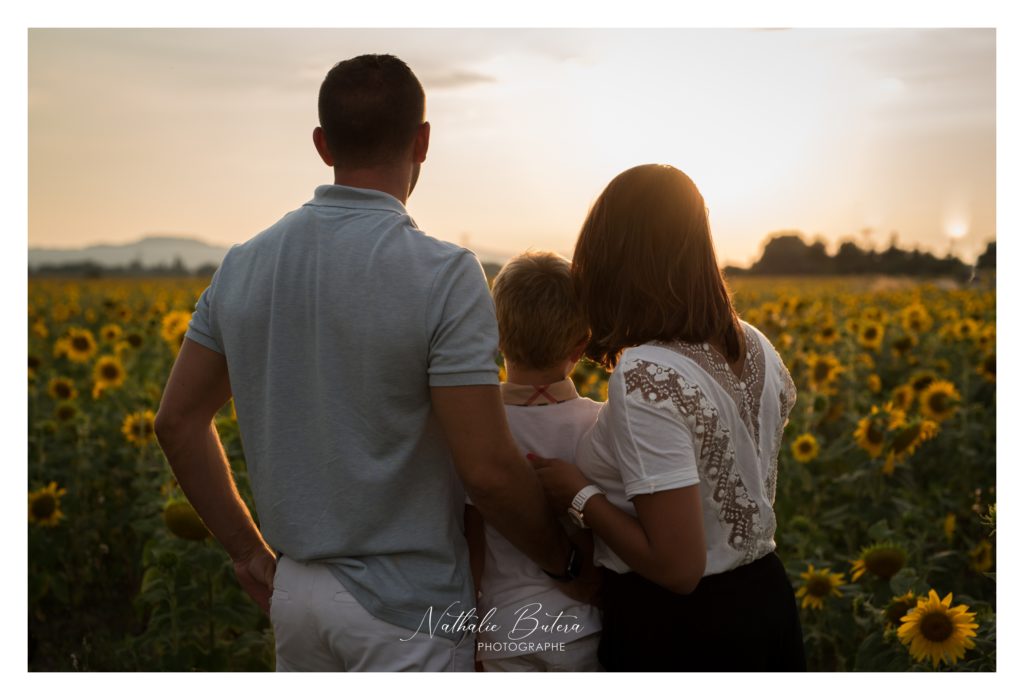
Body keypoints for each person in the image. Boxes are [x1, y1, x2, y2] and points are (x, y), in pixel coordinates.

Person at [154, 54, 576, 672]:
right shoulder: (446, 274)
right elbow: (486, 470)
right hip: (412, 611)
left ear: (323, 145)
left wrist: (247, 550)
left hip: (296, 596)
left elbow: (177, 421)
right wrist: (563, 560)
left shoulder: (244, 264)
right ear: (423, 142)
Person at [531, 164, 806, 671]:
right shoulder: (758, 345)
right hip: (765, 604)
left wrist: (578, 493)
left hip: (679, 629)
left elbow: (678, 568)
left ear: (616, 258)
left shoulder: (647, 373)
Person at [465, 252, 603, 672]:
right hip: (583, 626)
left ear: (496, 336)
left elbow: (470, 540)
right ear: (582, 345)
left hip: (502, 630)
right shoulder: (602, 423)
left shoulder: (475, 427)